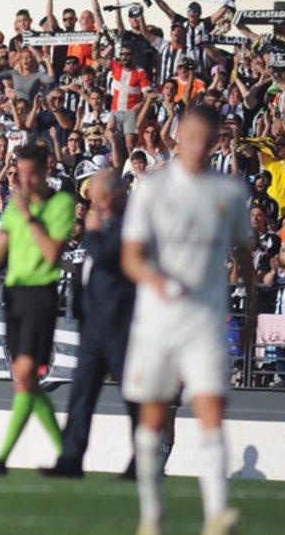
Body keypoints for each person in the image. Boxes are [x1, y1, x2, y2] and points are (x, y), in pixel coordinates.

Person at [121, 105, 252, 535]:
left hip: (205, 320)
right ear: (178, 136)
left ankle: (217, 513)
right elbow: (131, 258)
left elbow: (246, 258)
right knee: (154, 415)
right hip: (158, 320)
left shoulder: (229, 193)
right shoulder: (153, 189)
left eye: (206, 137)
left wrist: (249, 306)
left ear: (216, 141)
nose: (197, 144)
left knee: (212, 407)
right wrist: (158, 282)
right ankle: (151, 515)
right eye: (190, 135)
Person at [0, 143, 73, 475]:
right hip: (15, 294)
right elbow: (0, 246)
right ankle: (67, 454)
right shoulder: (14, 206)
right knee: (23, 381)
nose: (21, 180)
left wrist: (27, 215)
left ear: (44, 171)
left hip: (41, 293)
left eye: (27, 174)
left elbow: (52, 254)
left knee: (24, 376)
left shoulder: (61, 204)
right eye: (17, 174)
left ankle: (2, 458)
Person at [41, 170, 139, 478]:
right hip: (93, 325)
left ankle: (143, 459)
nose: (92, 203)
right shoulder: (103, 223)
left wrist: (93, 233)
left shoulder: (130, 224)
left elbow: (106, 256)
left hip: (121, 323)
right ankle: (71, 458)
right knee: (81, 394)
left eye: (96, 196)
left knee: (134, 395)